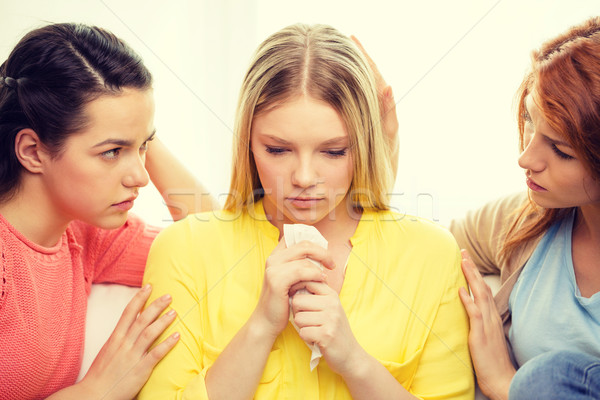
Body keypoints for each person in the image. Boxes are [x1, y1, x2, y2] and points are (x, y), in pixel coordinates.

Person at [139, 23, 474, 400]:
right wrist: (261, 327)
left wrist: (354, 362)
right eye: (277, 150)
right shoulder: (184, 249)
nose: (303, 177)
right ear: (248, 140)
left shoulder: (431, 254)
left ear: (363, 144)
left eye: (333, 152)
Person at [0, 23, 217, 400]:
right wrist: (99, 390)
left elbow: (213, 243)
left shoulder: (85, 235)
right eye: (111, 152)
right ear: (33, 151)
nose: (141, 177)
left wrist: (131, 126)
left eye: (144, 146)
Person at [451, 16, 600, 400]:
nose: (525, 158)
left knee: (546, 380)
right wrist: (382, 143)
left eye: (561, 150)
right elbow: (428, 245)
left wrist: (504, 385)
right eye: (529, 123)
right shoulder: (527, 220)